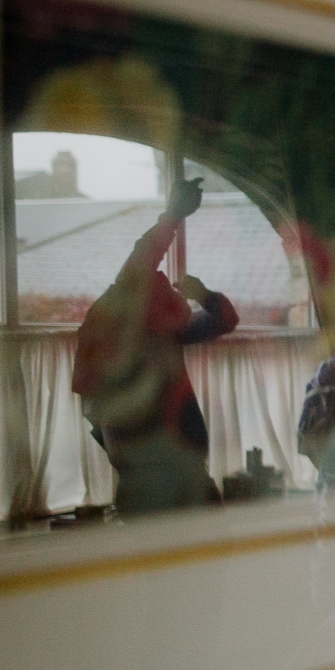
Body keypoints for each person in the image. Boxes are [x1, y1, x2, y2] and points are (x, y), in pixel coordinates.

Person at [72, 173, 238, 514]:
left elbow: (225, 320)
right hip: (152, 482)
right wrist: (173, 216)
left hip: (177, 475)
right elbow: (142, 259)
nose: (177, 301)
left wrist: (205, 295)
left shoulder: (158, 330)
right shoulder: (118, 318)